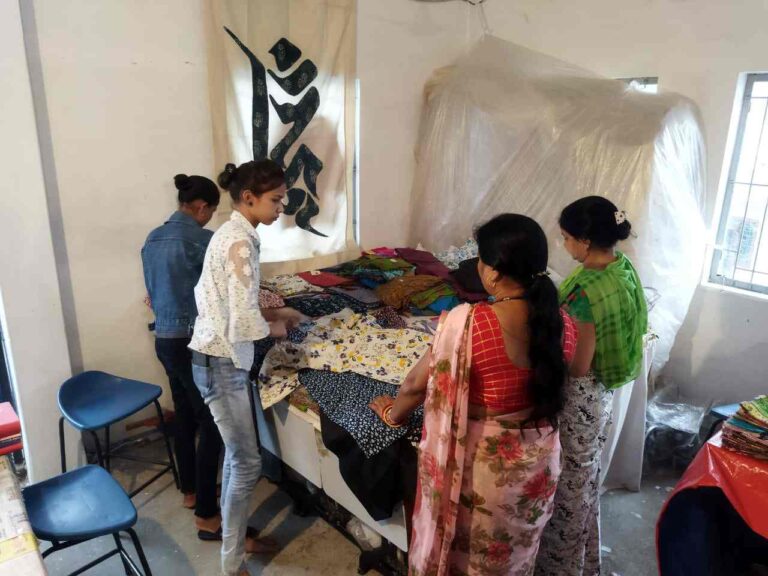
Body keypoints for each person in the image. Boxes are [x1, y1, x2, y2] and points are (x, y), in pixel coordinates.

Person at [370, 214, 578, 576]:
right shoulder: (564, 324)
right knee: (514, 560)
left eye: (480, 259)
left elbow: (414, 385)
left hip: (485, 475)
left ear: (493, 272)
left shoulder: (468, 324)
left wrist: (392, 414)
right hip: (538, 468)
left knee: (471, 563)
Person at [189, 159, 305, 576]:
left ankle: (236, 541)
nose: (281, 208)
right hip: (221, 363)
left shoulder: (230, 233)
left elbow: (226, 302)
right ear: (249, 198)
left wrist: (279, 312)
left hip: (214, 357)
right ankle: (231, 562)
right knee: (246, 463)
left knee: (237, 458)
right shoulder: (240, 242)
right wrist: (280, 327)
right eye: (276, 200)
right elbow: (242, 322)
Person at [535, 196, 648, 576]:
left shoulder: (585, 291)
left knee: (569, 488)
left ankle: (561, 568)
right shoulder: (622, 268)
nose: (564, 245)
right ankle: (585, 562)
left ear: (584, 241)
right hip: (603, 393)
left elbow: (579, 365)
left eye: (566, 238)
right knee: (584, 480)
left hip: (581, 399)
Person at [141, 174, 224, 539]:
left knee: (185, 414)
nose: (210, 218)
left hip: (164, 339)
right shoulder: (203, 241)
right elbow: (219, 295)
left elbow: (152, 292)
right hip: (192, 341)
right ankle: (207, 514)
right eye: (212, 211)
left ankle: (190, 491)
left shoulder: (152, 238)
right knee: (212, 422)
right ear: (202, 207)